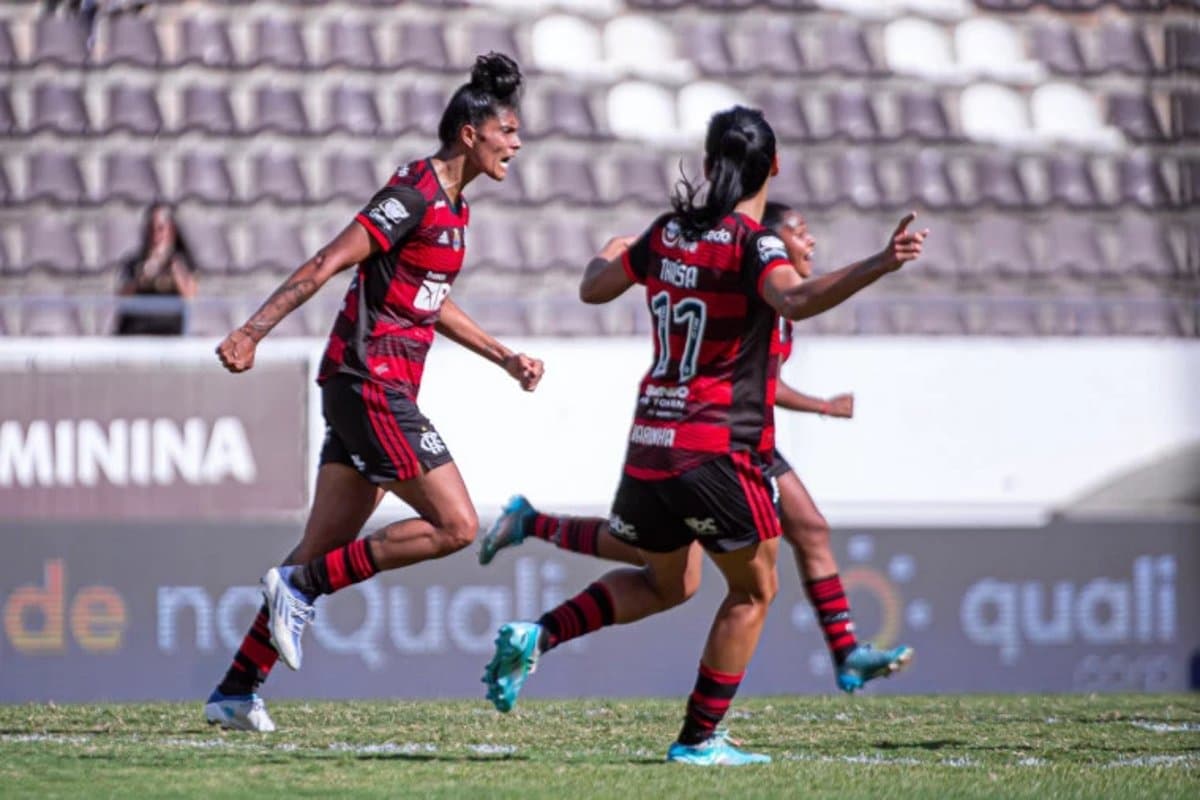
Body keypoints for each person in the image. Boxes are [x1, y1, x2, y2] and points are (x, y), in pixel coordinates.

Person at [481, 106, 928, 766]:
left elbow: (593, 288)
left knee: (670, 582)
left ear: (712, 161)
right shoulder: (755, 245)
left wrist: (611, 250)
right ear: (773, 167)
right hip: (717, 446)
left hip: (652, 440)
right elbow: (794, 300)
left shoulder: (666, 234)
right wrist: (879, 264)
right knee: (754, 589)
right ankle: (699, 738)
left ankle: (536, 632)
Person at [203, 52, 544, 733]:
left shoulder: (457, 212)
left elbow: (430, 302)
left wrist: (503, 356)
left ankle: (235, 691)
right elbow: (328, 261)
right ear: (470, 133)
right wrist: (251, 331)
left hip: (374, 388)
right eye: (507, 128)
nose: (517, 142)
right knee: (457, 526)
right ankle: (300, 590)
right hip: (370, 385)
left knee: (319, 550)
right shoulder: (412, 193)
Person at [114, 203, 198, 335]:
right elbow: (121, 298)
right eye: (152, 229)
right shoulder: (135, 262)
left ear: (171, 230)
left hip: (169, 333)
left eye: (161, 229)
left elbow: (190, 296)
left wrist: (176, 272)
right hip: (136, 332)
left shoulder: (183, 262)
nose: (156, 236)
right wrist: (139, 279)